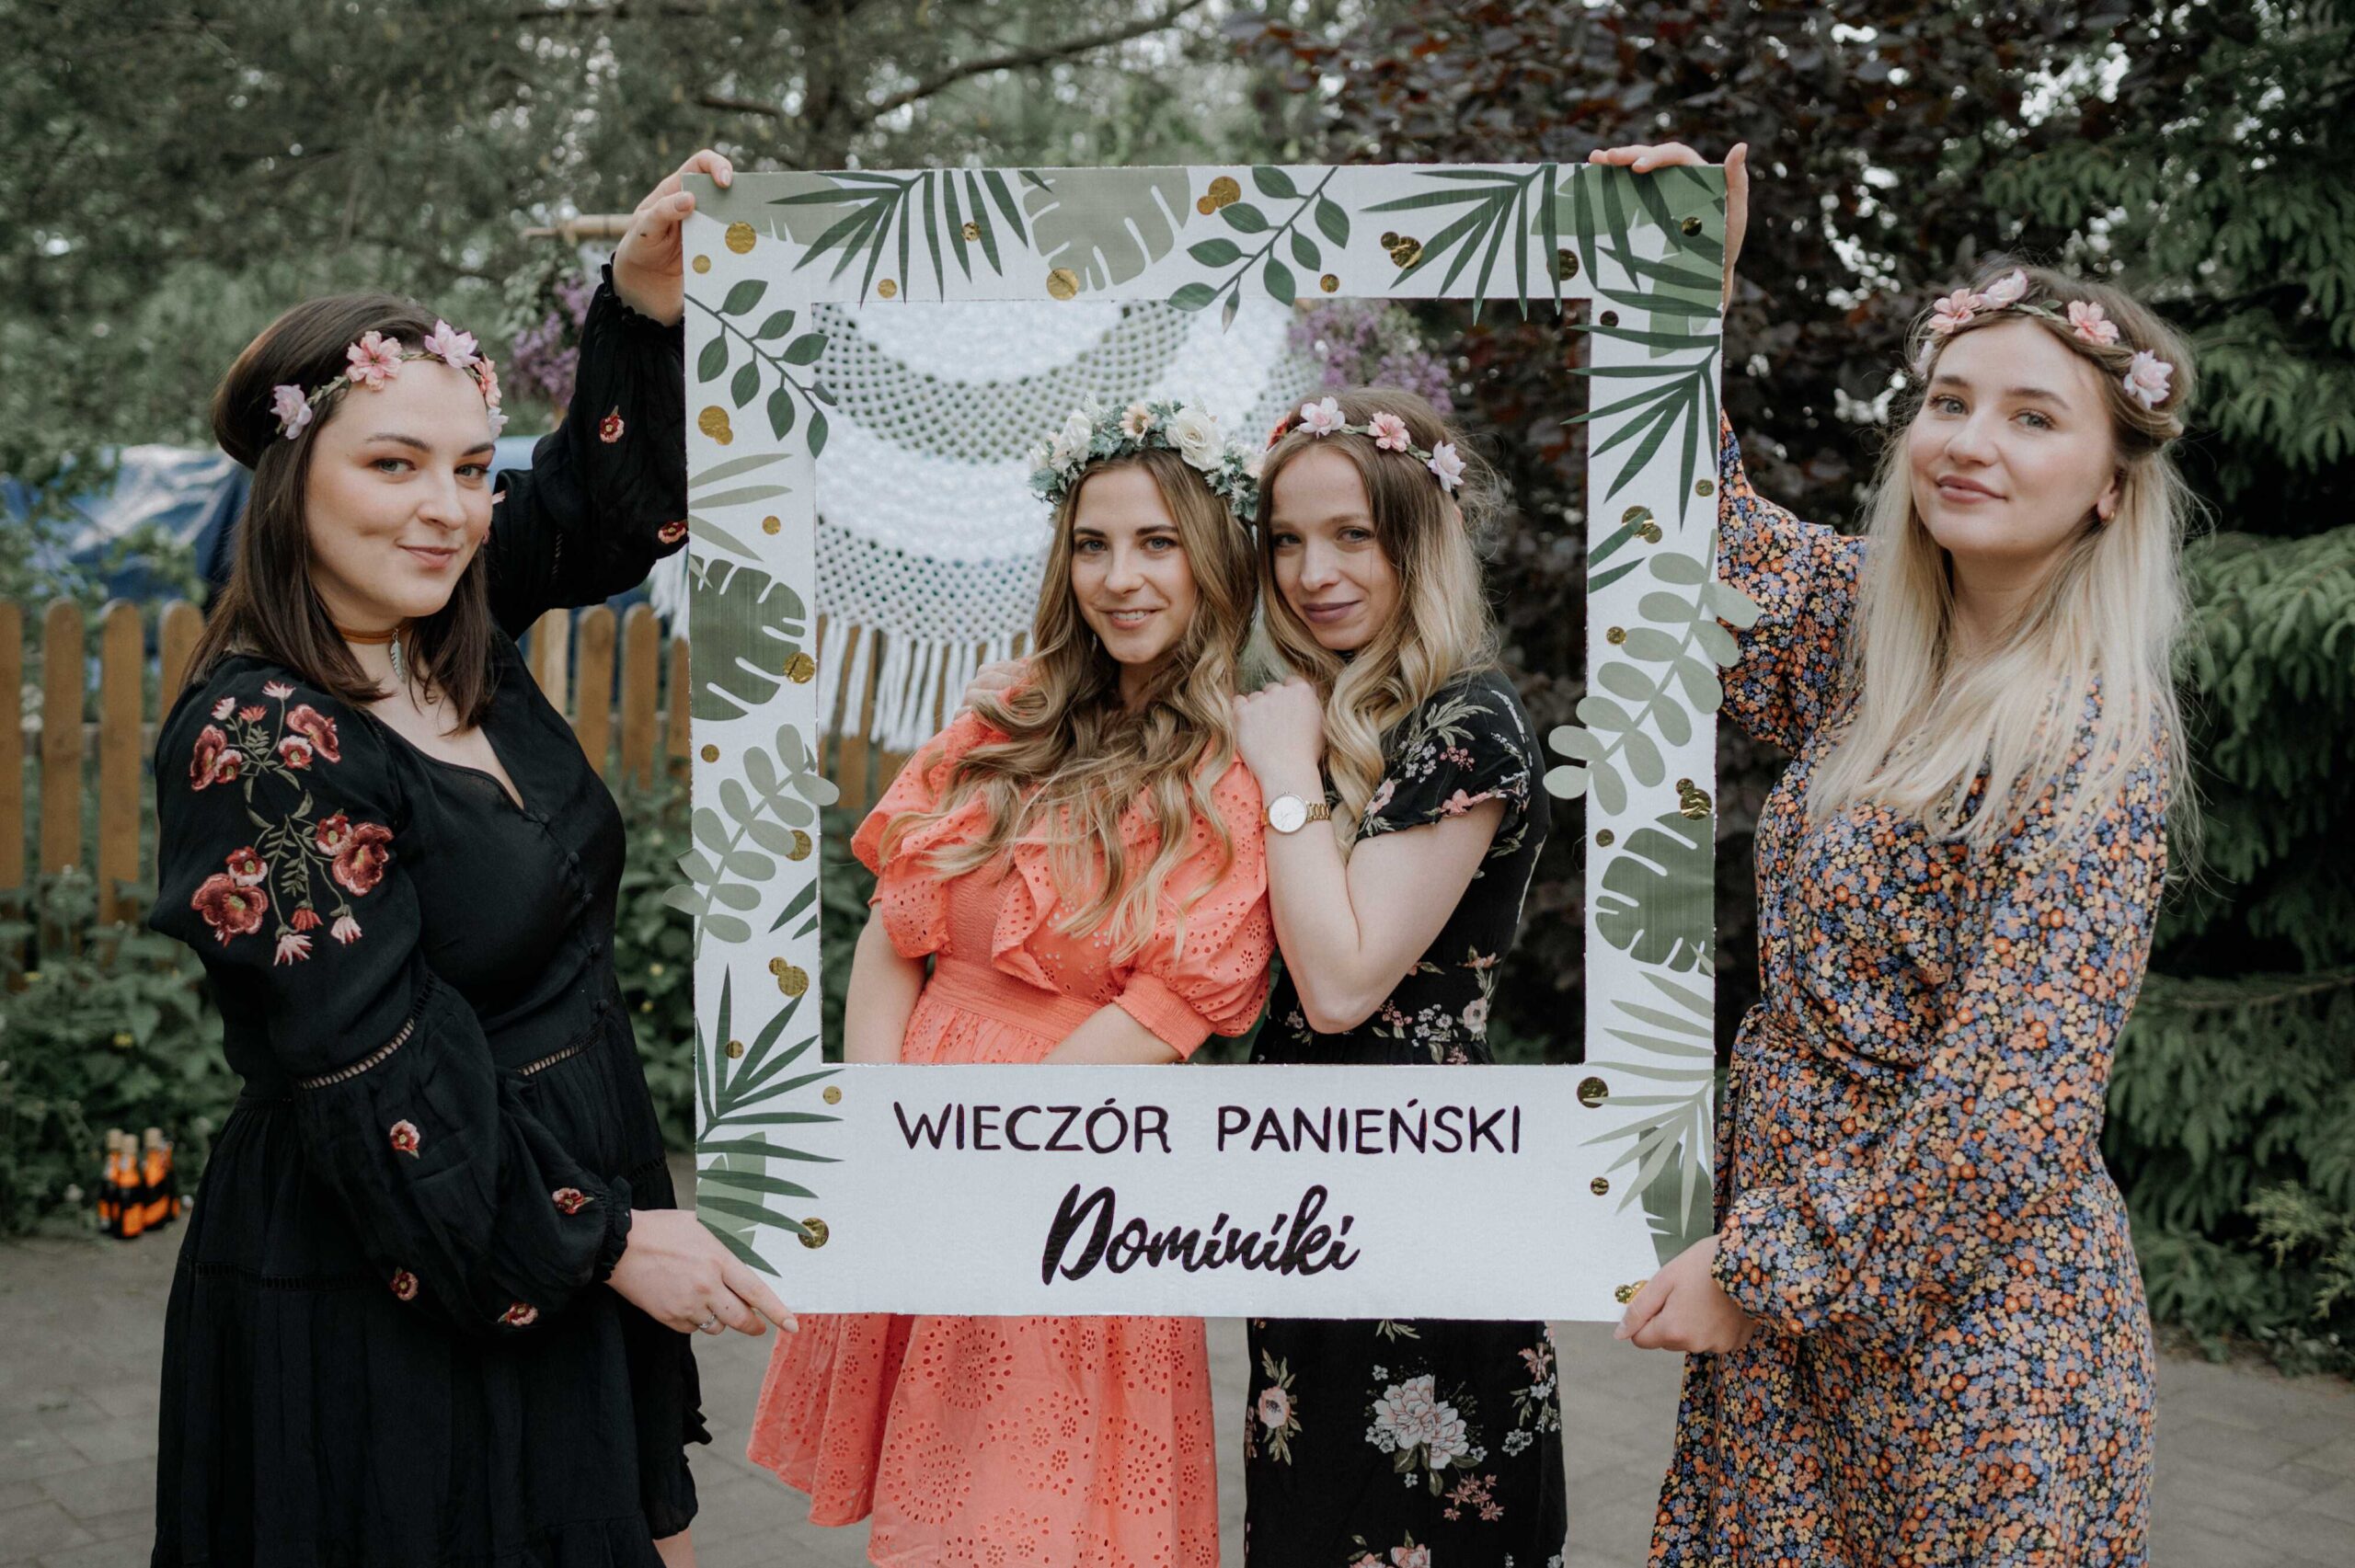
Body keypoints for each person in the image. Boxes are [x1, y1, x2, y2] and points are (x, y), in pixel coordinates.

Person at [146, 151, 792, 1568]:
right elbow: (377, 1069)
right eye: (392, 464)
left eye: (466, 467)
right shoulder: (264, 744)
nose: (445, 507)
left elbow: (605, 507)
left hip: (555, 1219)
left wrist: (642, 304)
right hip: (390, 1271)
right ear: (288, 484)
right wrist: (607, 1240)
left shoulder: (450, 631)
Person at [1596, 143, 2191, 1566]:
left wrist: (1762, 1270)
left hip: (1975, 1347)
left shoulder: (2094, 746)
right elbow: (1694, 543)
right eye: (1949, 401)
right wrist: (1678, 297)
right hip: (1789, 1315)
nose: (1971, 440)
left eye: (2033, 417)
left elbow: (2006, 1109)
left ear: (2112, 486)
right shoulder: (1872, 636)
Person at [744, 401, 1276, 1567]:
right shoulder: (1008, 711)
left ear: (1213, 557)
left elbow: (1165, 1012)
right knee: (930, 1513)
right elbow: (896, 932)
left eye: (1156, 543)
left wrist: (975, 1151)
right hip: (921, 1121)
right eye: (1092, 544)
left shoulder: (1237, 758)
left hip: (1066, 1162)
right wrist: (882, 1127)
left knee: (1032, 1521)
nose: (1119, 578)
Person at [1227, 389, 1568, 1567]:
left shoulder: (1466, 722)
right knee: (1312, 1512)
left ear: (1421, 538)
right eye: (1285, 539)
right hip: (1309, 1185)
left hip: (1415, 1180)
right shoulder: (1334, 709)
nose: (1310, 572)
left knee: (1412, 1524)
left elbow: (1341, 985)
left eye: (1351, 535)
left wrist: (1284, 778)